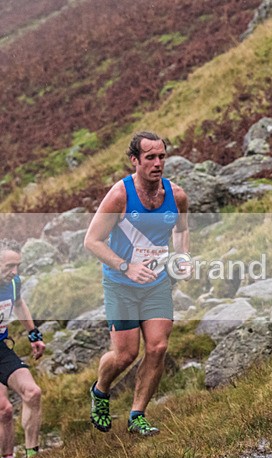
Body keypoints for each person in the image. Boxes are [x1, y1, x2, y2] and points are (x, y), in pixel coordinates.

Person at [84, 131, 190, 436]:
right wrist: (125, 266)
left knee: (157, 347)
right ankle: (101, 389)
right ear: (135, 161)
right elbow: (92, 241)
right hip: (121, 283)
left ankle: (137, 415)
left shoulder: (177, 195)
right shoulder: (121, 196)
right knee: (125, 355)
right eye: (150, 158)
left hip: (156, 282)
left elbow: (181, 230)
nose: (157, 163)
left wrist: (182, 257)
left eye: (162, 157)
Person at [0, 239, 45, 458]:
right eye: (9, 266)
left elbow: (18, 304)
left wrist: (33, 334)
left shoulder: (14, 283)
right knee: (4, 410)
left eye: (17, 265)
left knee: (32, 392)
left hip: (1, 349)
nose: (14, 271)